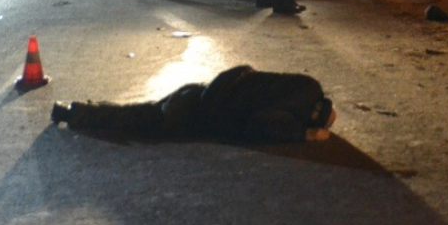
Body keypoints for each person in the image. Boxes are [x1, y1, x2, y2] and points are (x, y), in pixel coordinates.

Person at [50, 65, 337, 143]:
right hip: (191, 116)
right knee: (136, 120)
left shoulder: (306, 86)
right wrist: (304, 134)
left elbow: (240, 71)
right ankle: (75, 113)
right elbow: (264, 124)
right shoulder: (288, 116)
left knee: (138, 112)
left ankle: (77, 111)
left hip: (194, 93)